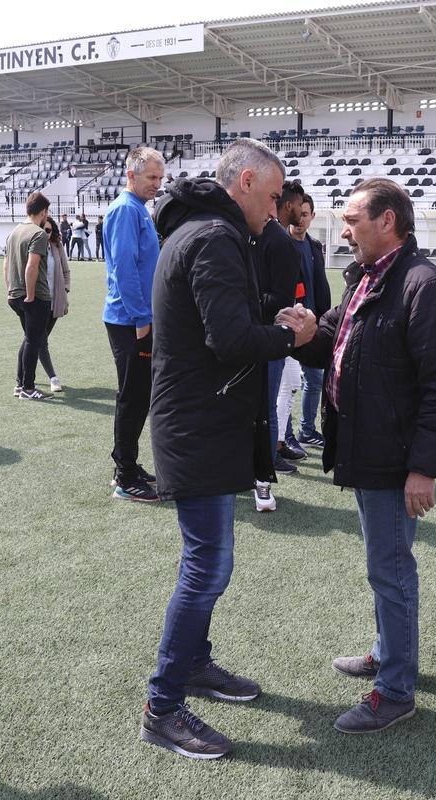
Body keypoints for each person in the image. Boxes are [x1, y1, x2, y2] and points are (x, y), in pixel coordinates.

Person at [140, 138, 314, 759]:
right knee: (206, 566)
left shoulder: (202, 232)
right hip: (197, 424)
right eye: (271, 197)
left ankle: (193, 666)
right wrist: (289, 335)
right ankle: (163, 707)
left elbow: (222, 324)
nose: (275, 210)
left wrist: (271, 320)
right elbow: (230, 339)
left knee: (208, 563)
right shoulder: (213, 238)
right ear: (243, 182)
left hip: (200, 418)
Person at [288, 178, 436, 734]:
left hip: (394, 458)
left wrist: (423, 469)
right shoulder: (369, 277)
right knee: (383, 566)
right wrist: (307, 333)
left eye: (352, 219)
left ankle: (394, 691)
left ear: (387, 222)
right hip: (365, 449)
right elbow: (338, 344)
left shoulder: (424, 286)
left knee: (390, 572)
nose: (343, 229)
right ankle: (388, 652)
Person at [103, 146, 164, 502]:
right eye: (151, 177)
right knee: (133, 396)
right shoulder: (126, 210)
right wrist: (142, 317)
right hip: (130, 320)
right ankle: (125, 475)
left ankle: (126, 465)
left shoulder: (138, 210)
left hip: (137, 317)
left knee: (140, 396)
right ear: (131, 175)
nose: (157, 184)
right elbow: (123, 270)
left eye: (159, 177)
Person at [254, 180, 305, 504]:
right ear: (287, 205)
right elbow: (281, 299)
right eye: (300, 204)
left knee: (265, 408)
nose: (302, 211)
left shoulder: (273, 240)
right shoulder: (271, 239)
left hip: (261, 336)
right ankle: (263, 474)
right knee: (266, 410)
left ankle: (262, 474)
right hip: (264, 338)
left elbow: (281, 298)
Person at [287, 194, 331, 450]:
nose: (300, 220)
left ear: (312, 216)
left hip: (315, 324)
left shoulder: (314, 246)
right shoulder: (282, 245)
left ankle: (306, 430)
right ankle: (286, 436)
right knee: (287, 385)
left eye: (305, 215)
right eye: (296, 214)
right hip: (291, 323)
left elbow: (319, 285)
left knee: (314, 380)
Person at [4, 191, 53, 401]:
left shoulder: (14, 232)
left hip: (14, 293)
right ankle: (28, 387)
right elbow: (32, 266)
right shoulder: (38, 233)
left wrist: (10, 289)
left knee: (29, 339)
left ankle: (20, 384)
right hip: (34, 295)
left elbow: (5, 264)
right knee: (34, 340)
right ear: (43, 211)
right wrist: (31, 295)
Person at [37, 216, 70, 393]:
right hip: (39, 301)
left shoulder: (57, 246)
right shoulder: (33, 244)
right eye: (42, 229)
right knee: (40, 340)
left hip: (55, 300)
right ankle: (53, 377)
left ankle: (23, 374)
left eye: (48, 230)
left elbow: (66, 271)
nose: (45, 233)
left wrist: (65, 291)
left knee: (35, 340)